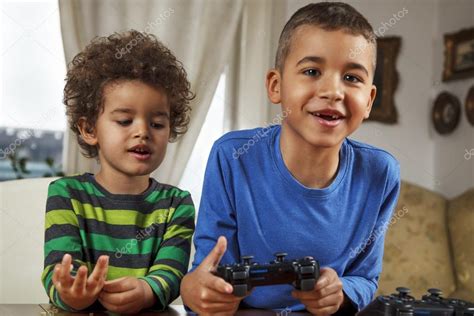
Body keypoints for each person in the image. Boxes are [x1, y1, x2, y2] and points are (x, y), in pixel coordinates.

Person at [181, 2, 400, 315]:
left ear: (369, 100)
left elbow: (365, 278)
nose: (333, 91)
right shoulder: (232, 156)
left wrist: (341, 292)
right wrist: (197, 290)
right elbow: (208, 274)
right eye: (312, 72)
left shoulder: (381, 173)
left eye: (352, 78)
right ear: (276, 85)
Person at [40, 30, 195, 314]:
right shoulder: (66, 194)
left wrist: (148, 291)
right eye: (125, 120)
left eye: (158, 124)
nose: (142, 132)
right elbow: (57, 272)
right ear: (89, 129)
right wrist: (73, 294)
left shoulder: (177, 205)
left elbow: (171, 275)